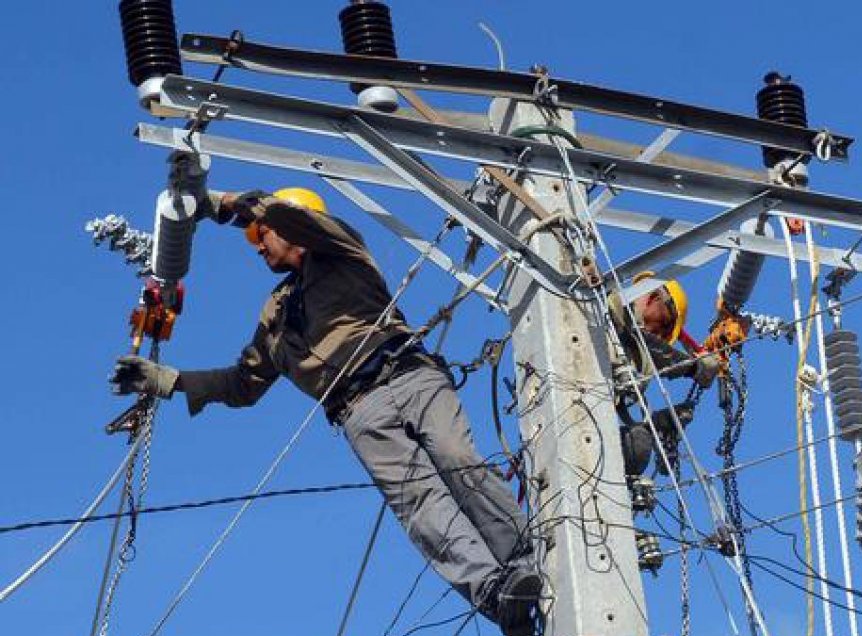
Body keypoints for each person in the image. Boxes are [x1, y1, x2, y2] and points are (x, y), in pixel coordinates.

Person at [109, 187, 542, 636]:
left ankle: (527, 563)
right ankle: (496, 592)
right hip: (359, 412)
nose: (256, 244)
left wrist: (220, 204)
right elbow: (243, 383)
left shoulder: (341, 249)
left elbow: (285, 217)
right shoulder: (275, 314)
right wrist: (169, 381)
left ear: (288, 223)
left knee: (458, 461)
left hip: (410, 376)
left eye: (260, 234)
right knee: (420, 504)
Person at [606, 274, 721, 476]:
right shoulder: (606, 305)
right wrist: (693, 368)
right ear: (654, 297)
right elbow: (650, 343)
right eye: (665, 324)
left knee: (638, 445)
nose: (661, 335)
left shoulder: (633, 355)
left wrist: (657, 425)